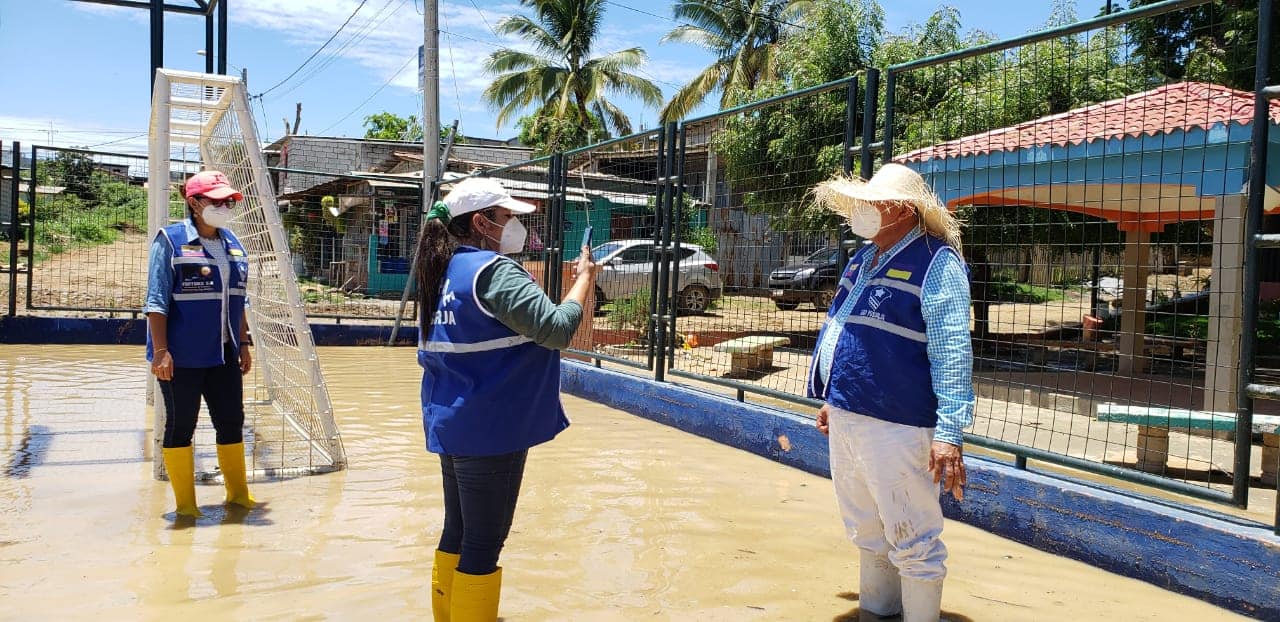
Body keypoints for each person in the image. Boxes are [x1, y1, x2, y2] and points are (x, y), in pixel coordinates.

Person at [415, 176, 599, 622]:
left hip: (452, 422)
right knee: (483, 543)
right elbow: (556, 329)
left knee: (458, 531)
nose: (515, 225)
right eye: (507, 216)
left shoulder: (441, 270)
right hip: (491, 428)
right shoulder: (492, 271)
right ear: (481, 223)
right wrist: (584, 280)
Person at [808, 163, 974, 622]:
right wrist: (833, 398)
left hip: (899, 421)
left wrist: (950, 433)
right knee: (866, 528)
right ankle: (876, 612)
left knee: (913, 536)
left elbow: (952, 348)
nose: (860, 210)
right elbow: (845, 327)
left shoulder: (936, 260)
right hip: (849, 414)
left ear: (902, 209)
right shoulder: (863, 258)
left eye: (871, 202)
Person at [144, 170, 255, 519]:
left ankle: (238, 496)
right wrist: (161, 352)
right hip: (181, 356)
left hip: (224, 354)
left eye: (228, 201)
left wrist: (244, 343)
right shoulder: (170, 240)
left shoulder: (233, 243)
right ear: (193, 202)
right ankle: (186, 507)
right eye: (216, 201)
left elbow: (239, 299)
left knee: (231, 421)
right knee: (181, 426)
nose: (224, 207)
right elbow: (156, 300)